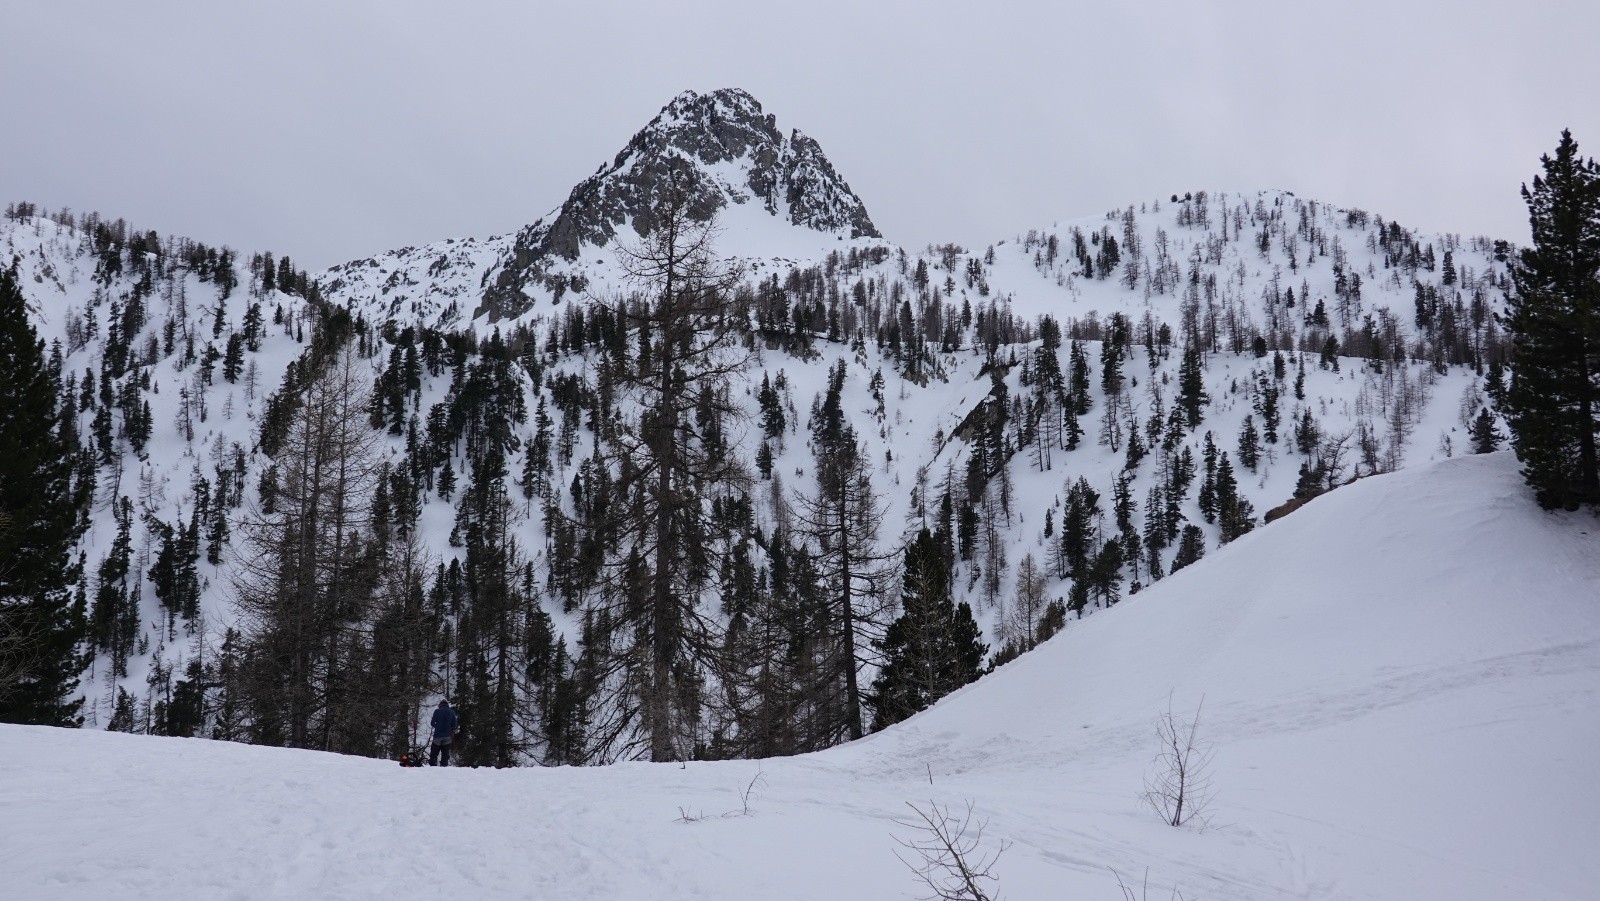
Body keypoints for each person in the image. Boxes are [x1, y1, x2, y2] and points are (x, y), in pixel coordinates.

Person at [429, 699, 458, 766]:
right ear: (447, 705)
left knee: (434, 753)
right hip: (447, 736)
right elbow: (455, 725)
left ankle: (432, 766)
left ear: (440, 705)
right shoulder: (451, 712)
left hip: (437, 736)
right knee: (445, 754)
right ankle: (444, 767)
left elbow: (432, 723)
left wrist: (437, 727)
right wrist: (450, 728)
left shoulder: (437, 711)